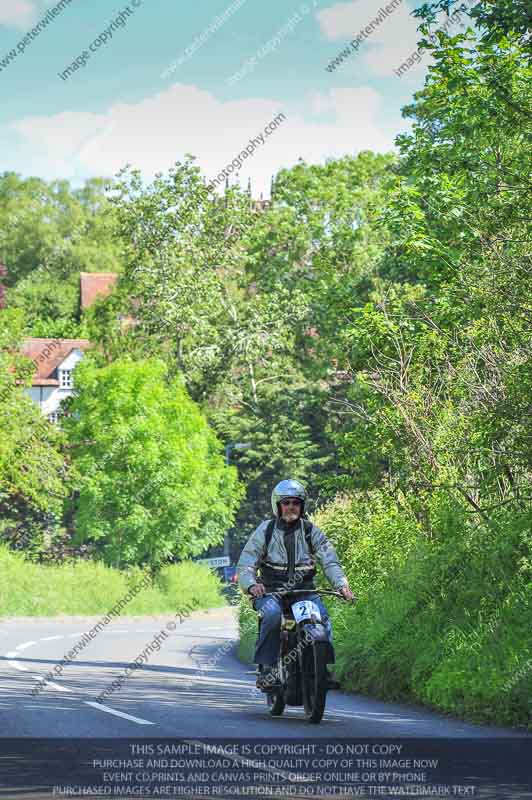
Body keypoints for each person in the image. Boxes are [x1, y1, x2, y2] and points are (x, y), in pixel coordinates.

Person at [236, 478, 355, 689]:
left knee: (322, 616)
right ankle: (268, 669)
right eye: (286, 502)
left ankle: (322, 670)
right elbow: (246, 563)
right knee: (272, 616)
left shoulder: (311, 531)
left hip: (304, 591)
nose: (291, 507)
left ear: (302, 506)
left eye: (296, 503)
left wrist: (341, 584)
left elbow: (330, 561)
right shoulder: (266, 530)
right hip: (271, 592)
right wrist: (252, 585)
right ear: (278, 505)